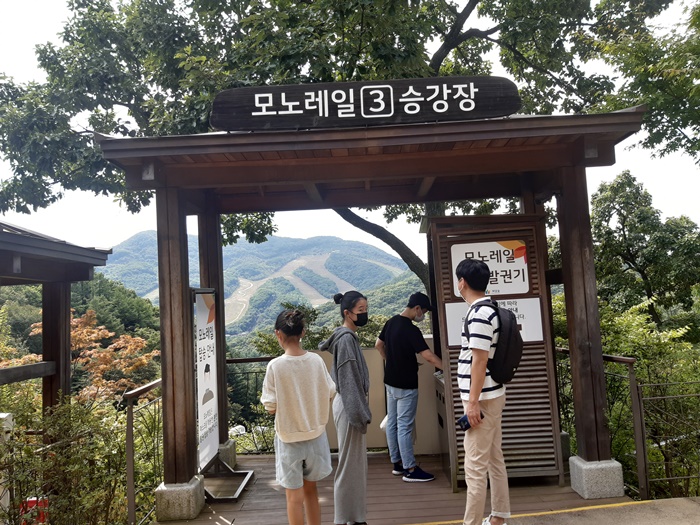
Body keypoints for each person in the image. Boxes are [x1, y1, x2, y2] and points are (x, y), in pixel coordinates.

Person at [261, 309, 337, 525]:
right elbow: (330, 391)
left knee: (294, 498)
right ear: (303, 332)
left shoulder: (275, 366)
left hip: (288, 439)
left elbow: (270, 406)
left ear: (278, 334)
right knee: (312, 491)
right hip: (316, 436)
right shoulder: (316, 361)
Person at [455, 258, 511, 525]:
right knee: (494, 458)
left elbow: (479, 360)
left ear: (462, 282)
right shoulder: (490, 309)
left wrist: (472, 403)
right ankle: (498, 516)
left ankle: (472, 523)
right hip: (492, 395)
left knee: (475, 467)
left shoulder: (479, 313)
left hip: (483, 399)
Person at [375, 292, 443, 482]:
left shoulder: (391, 322)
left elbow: (378, 345)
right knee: (404, 427)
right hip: (406, 385)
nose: (424, 316)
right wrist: (449, 369)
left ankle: (397, 463)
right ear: (417, 308)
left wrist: (391, 361)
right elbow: (428, 356)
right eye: (424, 312)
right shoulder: (411, 330)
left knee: (393, 423)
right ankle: (410, 469)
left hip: (390, 381)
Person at [318, 291, 372, 525]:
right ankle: (343, 519)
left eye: (365, 309)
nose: (365, 314)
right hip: (350, 405)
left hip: (349, 403)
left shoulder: (347, 337)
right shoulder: (347, 340)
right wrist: (360, 414)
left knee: (355, 466)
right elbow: (350, 382)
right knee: (349, 466)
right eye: (361, 310)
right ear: (347, 313)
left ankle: (355, 517)